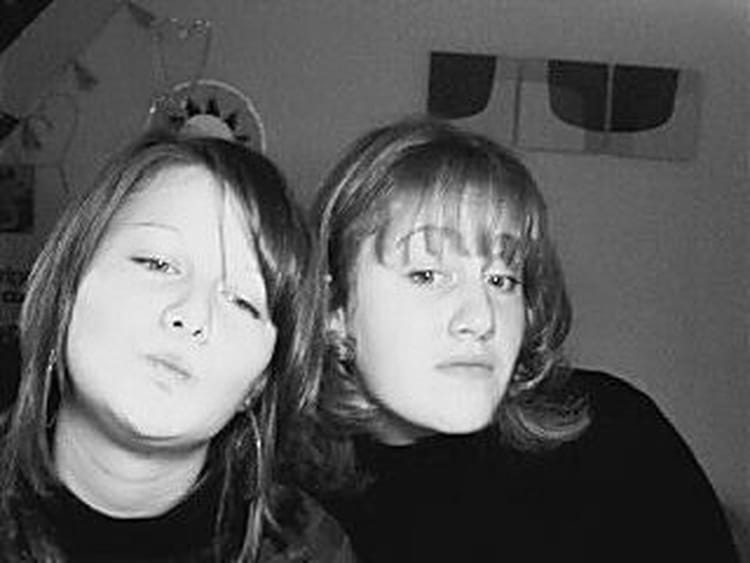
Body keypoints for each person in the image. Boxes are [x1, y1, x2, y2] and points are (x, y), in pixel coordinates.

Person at [298, 117, 739, 562]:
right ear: (334, 308)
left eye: (502, 279)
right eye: (427, 274)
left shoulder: (615, 439)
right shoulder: (284, 507)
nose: (481, 317)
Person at [0, 132, 354, 562]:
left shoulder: (308, 551)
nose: (192, 315)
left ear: (259, 383)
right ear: (66, 288)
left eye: (242, 301)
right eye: (157, 263)